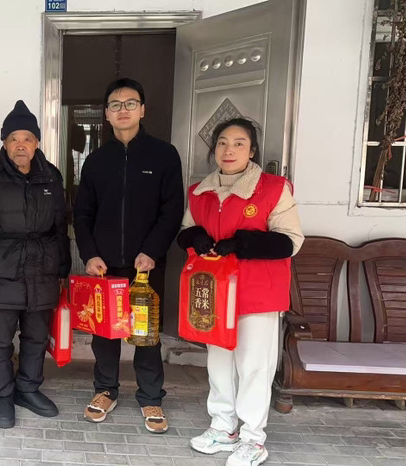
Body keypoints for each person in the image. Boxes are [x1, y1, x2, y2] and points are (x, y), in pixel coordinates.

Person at [177, 118, 303, 466]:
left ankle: (252, 438)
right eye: (222, 143)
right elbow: (186, 231)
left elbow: (290, 242)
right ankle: (222, 427)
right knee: (219, 364)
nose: (228, 150)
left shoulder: (273, 189)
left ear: (252, 151)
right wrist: (195, 237)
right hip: (215, 295)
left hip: (256, 294)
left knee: (253, 366)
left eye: (238, 143)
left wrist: (242, 243)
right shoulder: (199, 192)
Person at [73, 78, 184, 432]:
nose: (123, 110)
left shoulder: (164, 155)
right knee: (104, 334)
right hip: (104, 266)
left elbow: (172, 210)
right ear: (106, 114)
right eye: (116, 105)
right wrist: (89, 254)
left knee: (145, 334)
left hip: (145, 266)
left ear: (142, 110)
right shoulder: (96, 161)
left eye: (130, 103)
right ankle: (105, 390)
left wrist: (152, 250)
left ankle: (151, 396)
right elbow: (82, 213)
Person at [0, 100, 71, 429]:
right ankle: (2, 394)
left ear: (36, 143)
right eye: (13, 139)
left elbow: (61, 227)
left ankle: (28, 389)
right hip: (1, 270)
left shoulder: (51, 176)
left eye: (27, 138)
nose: (21, 145)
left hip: (43, 270)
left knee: (36, 337)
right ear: (4, 143)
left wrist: (62, 270)